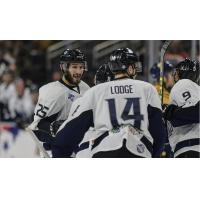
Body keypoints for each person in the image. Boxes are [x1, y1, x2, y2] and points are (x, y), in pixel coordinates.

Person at [52, 48, 166, 158]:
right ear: (130, 68)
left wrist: (59, 152)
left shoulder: (96, 91)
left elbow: (73, 129)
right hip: (138, 149)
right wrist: (154, 155)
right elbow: (158, 132)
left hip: (105, 149)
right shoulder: (147, 88)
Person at [28, 49, 90, 157]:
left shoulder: (86, 88)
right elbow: (36, 127)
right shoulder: (52, 91)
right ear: (63, 67)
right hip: (55, 150)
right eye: (74, 67)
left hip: (78, 149)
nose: (79, 71)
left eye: (81, 67)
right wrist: (54, 127)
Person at [163, 58, 200, 158]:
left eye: (177, 72)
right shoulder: (193, 89)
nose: (174, 75)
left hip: (191, 147)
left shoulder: (183, 83)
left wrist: (173, 114)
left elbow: (196, 113)